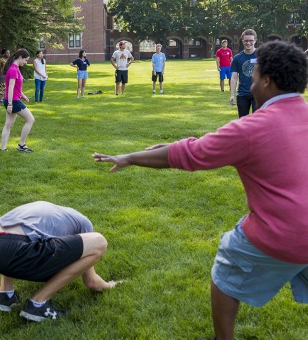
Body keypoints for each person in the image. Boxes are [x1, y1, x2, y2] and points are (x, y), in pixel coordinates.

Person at [93, 41, 308, 340]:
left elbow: (189, 155)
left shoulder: (251, 128)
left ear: (267, 81)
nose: (253, 82)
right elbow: (193, 148)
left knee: (227, 264)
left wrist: (129, 157)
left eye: (255, 76)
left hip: (286, 232)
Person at [0, 201, 117, 322]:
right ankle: (38, 304)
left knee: (19, 238)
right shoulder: (84, 223)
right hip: (15, 250)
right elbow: (91, 282)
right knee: (99, 242)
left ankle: (6, 295)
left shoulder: (44, 212)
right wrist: (109, 285)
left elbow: (6, 238)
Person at [0, 49, 35, 152]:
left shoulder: (15, 68)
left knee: (8, 124)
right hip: (13, 101)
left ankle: (3, 148)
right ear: (20, 57)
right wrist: (10, 104)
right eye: (25, 60)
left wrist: (23, 95)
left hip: (11, 99)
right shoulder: (14, 69)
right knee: (30, 120)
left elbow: (16, 87)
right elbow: (10, 88)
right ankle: (21, 144)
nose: (26, 62)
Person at [230, 29, 257, 117]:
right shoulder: (237, 58)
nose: (248, 43)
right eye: (246, 40)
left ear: (255, 41)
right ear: (242, 41)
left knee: (258, 122)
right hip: (242, 94)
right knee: (243, 122)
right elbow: (234, 77)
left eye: (251, 40)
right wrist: (232, 95)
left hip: (258, 94)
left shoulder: (262, 55)